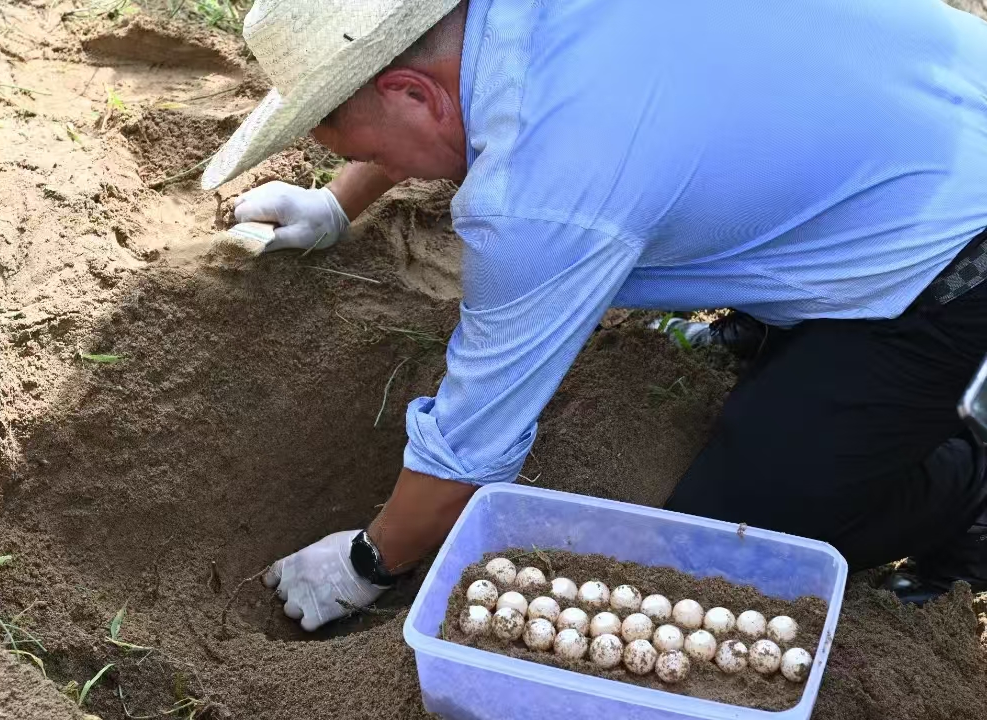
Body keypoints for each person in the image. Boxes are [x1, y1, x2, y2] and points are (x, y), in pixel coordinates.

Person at [202, 0, 987, 630]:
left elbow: (469, 452)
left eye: (366, 152)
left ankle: (968, 493)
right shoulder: (493, 27)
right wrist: (338, 204)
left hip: (954, 234)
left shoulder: (540, 199)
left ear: (414, 92)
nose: (380, 167)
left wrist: (367, 564)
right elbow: (422, 99)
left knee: (724, 552)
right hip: (916, 101)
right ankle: (775, 334)